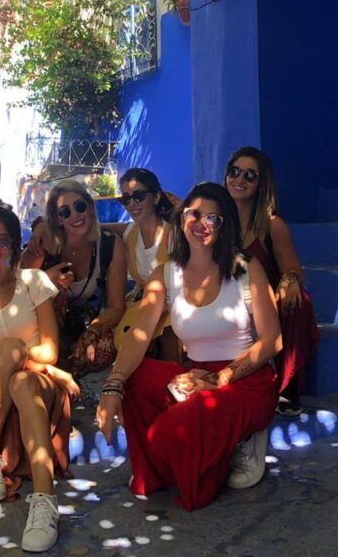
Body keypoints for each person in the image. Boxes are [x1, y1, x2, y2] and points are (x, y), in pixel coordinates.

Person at [96, 182, 281, 512]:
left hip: (245, 379)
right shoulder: (165, 274)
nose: (202, 223)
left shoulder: (246, 268)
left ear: (225, 227)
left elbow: (272, 342)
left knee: (172, 431)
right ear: (181, 218)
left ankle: (240, 440)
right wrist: (113, 386)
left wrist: (220, 378)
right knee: (136, 381)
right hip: (194, 375)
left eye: (215, 218)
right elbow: (139, 336)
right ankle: (198, 456)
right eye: (194, 213)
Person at [0, 203, 79, 552]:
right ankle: (40, 495)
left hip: (41, 387)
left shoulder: (33, 282)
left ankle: (35, 496)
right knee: (14, 374)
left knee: (15, 366)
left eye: (5, 240)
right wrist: (39, 363)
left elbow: (50, 350)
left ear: (13, 245)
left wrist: (38, 364)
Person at [224, 146, 319, 416]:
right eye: (235, 172)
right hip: (228, 300)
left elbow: (291, 267)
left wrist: (289, 281)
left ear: (261, 184)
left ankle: (287, 388)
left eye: (249, 176)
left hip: (264, 303)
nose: (239, 180)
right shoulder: (217, 222)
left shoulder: (272, 225)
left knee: (297, 302)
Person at [21, 179, 128, 376]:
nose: (75, 215)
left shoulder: (109, 244)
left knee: (104, 348)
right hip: (43, 331)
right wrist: (44, 279)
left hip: (83, 322)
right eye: (65, 212)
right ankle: (50, 367)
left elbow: (116, 306)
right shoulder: (45, 242)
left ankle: (61, 372)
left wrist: (91, 333)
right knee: (55, 291)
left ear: (90, 207)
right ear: (58, 218)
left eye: (80, 206)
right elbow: (16, 290)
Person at [108, 168, 180, 359]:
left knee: (169, 337)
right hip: (144, 303)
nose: (132, 204)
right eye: (126, 199)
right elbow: (98, 229)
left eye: (138, 196)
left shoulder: (173, 236)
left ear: (156, 197)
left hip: (174, 306)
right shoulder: (130, 233)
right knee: (123, 340)